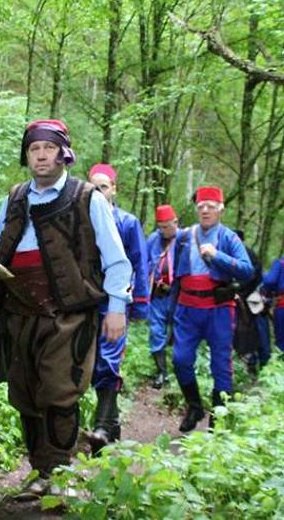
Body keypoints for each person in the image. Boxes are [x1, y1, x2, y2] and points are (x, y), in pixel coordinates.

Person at [0, 119, 132, 499]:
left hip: (70, 315)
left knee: (59, 391)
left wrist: (117, 307)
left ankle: (59, 473)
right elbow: (0, 249)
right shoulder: (14, 199)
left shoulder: (88, 198)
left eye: (48, 148)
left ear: (63, 152)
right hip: (19, 312)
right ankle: (40, 471)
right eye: (34, 149)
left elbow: (117, 260)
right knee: (25, 392)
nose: (41, 155)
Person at [170, 186, 253, 432]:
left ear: (220, 209)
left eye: (210, 206)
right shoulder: (184, 237)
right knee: (180, 359)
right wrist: (170, 312)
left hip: (218, 308)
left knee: (221, 365)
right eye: (201, 206)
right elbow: (176, 276)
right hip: (187, 308)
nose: (205, 210)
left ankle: (218, 422)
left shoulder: (228, 238)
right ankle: (194, 406)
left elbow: (247, 270)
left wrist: (218, 256)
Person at [83, 163, 149, 455]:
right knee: (84, 361)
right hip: (85, 301)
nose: (99, 192)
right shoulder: (81, 221)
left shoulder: (128, 222)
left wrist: (139, 305)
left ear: (114, 189)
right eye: (94, 187)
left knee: (108, 360)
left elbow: (140, 263)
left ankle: (101, 426)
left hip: (115, 303)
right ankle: (110, 424)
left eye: (104, 187)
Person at [145, 204, 182, 389]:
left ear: (175, 222)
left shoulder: (185, 239)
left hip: (178, 295)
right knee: (156, 331)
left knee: (178, 333)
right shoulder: (153, 239)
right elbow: (144, 264)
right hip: (158, 295)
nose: (163, 231)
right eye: (160, 227)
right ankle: (161, 372)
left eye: (166, 226)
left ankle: (180, 372)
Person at [233, 229, 271, 375]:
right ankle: (253, 363)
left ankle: (261, 363)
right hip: (246, 299)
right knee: (245, 333)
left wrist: (238, 291)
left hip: (254, 299)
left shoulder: (246, 254)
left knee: (258, 330)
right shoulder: (238, 254)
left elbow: (251, 276)